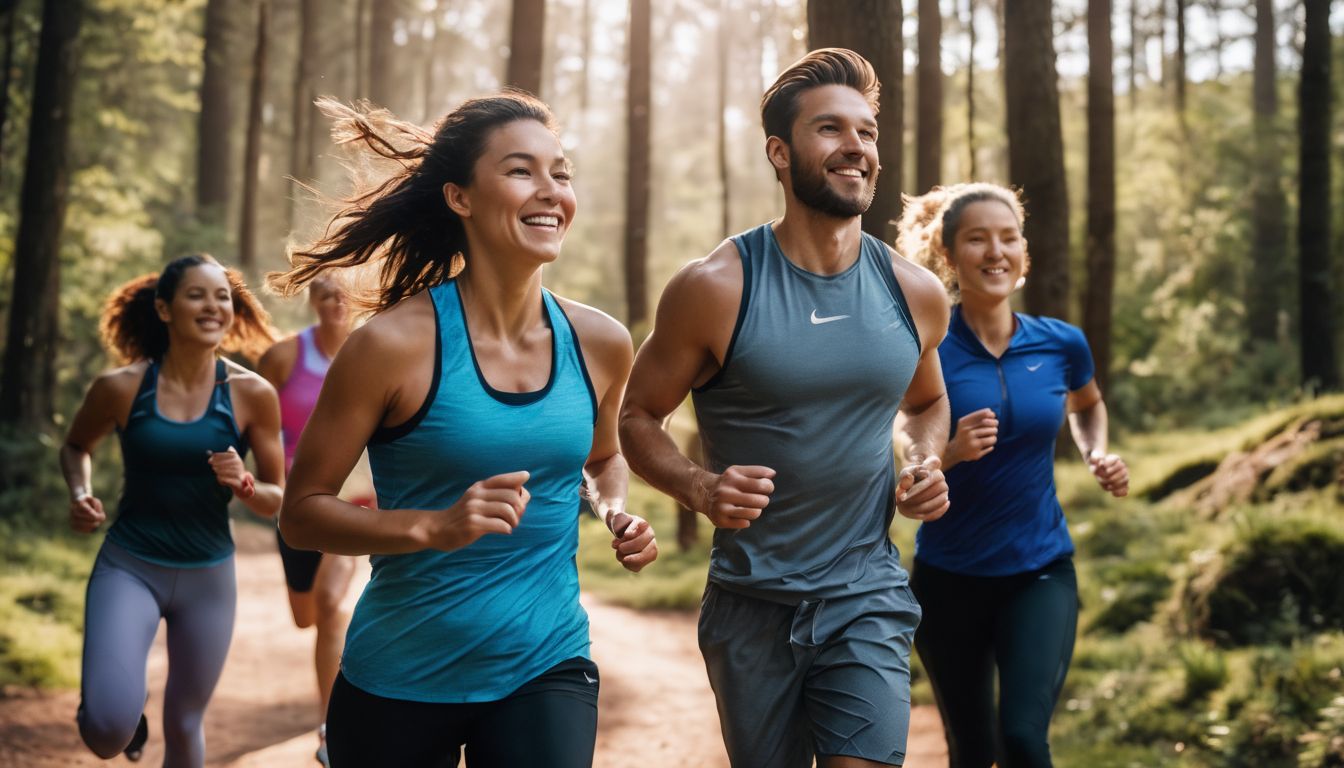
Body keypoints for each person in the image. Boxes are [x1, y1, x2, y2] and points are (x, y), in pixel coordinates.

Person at [269, 92, 658, 767]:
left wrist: (616, 510)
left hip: (546, 663)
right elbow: (302, 516)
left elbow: (602, 457)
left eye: (560, 173)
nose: (550, 192)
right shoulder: (390, 346)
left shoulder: (600, 341)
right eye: (520, 171)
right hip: (398, 675)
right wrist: (431, 526)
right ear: (460, 197)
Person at [619, 48, 952, 768]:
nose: (855, 147)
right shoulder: (715, 288)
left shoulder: (914, 291)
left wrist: (924, 460)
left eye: (866, 131)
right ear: (780, 151)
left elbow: (926, 403)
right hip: (750, 602)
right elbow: (637, 416)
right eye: (830, 129)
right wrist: (699, 487)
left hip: (866, 592)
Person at [894, 182, 1130, 767]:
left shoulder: (1061, 343)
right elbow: (905, 433)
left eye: (1008, 238)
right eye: (977, 239)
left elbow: (1089, 404)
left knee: (1024, 738)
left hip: (1040, 570)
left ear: (1024, 253)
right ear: (949, 256)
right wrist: (947, 452)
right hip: (949, 579)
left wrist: (1096, 451)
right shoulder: (927, 345)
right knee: (972, 752)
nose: (995, 251)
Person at [60, 254, 284, 766]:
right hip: (130, 566)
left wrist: (245, 484)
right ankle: (117, 707)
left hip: (208, 578)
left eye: (222, 296)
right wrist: (79, 494)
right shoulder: (121, 387)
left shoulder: (252, 394)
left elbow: (279, 496)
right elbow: (76, 447)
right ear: (164, 308)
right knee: (106, 733)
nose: (213, 306)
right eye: (196, 295)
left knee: (185, 723)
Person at [257, 274, 359, 766]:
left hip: (356, 502)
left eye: (343, 293)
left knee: (330, 601)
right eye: (325, 295)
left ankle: (330, 729)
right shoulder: (282, 359)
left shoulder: (374, 352)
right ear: (312, 303)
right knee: (308, 616)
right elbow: (253, 422)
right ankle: (339, 656)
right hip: (298, 505)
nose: (335, 303)